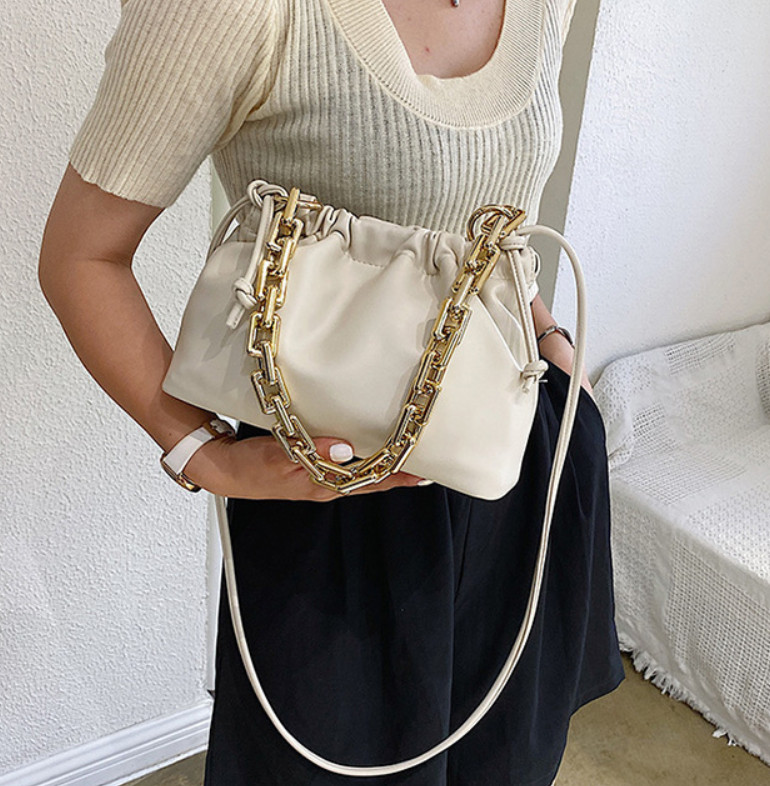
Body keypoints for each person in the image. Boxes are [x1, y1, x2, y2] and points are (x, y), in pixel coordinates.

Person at [38, 0, 625, 783]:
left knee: (505, 759)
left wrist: (551, 340)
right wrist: (202, 454)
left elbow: (495, 222)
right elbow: (81, 258)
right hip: (335, 497)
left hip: (517, 459)